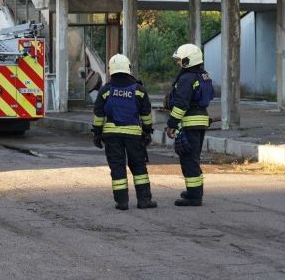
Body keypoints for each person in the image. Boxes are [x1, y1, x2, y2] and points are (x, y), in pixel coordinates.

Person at [92, 54, 157, 210]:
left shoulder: (105, 90)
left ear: (111, 70)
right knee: (139, 167)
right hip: (134, 135)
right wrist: (147, 132)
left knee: (117, 166)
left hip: (111, 136)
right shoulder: (139, 91)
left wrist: (97, 134)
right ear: (128, 69)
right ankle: (144, 200)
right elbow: (146, 115)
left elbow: (99, 114)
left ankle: (122, 202)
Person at [165, 44, 215, 206]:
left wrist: (171, 124)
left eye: (180, 60)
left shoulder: (187, 78)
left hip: (190, 122)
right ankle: (194, 191)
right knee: (193, 158)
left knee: (188, 159)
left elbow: (181, 104)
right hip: (201, 120)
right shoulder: (203, 75)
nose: (178, 63)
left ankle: (194, 196)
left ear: (187, 61)